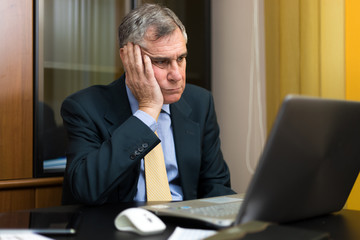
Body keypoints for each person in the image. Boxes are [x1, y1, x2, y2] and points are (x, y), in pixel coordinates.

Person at [61, 3, 236, 205]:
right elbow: (86, 189)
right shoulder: (85, 107)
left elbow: (217, 186)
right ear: (128, 59)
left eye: (181, 58)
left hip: (184, 226)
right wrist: (147, 111)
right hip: (120, 228)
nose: (177, 75)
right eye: (161, 62)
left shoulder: (200, 103)